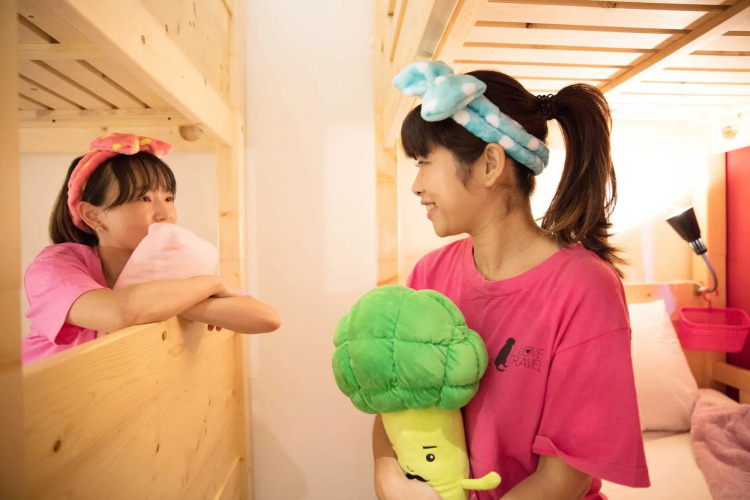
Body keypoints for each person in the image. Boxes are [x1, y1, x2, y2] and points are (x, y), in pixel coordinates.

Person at [372, 62, 649, 499]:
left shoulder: (585, 289)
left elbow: (564, 478)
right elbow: (395, 401)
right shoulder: (429, 276)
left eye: (424, 163)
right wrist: (386, 474)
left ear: (489, 164)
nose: (416, 186)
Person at [23, 133, 280, 364]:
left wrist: (174, 303)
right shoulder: (53, 266)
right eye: (143, 198)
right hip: (36, 395)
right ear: (93, 215)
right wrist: (212, 284)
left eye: (168, 198)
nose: (164, 214)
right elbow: (118, 312)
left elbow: (266, 318)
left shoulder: (167, 269)